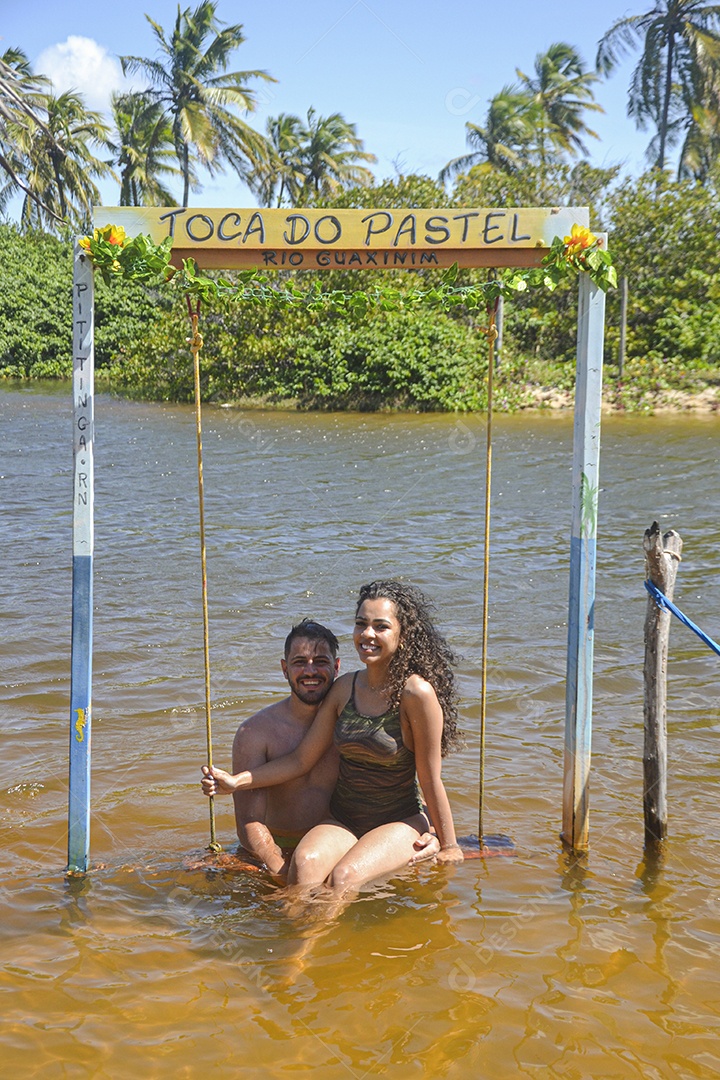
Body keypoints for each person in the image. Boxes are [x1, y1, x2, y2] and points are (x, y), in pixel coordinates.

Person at [202, 581, 464, 894]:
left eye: (380, 626)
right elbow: (301, 760)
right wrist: (236, 782)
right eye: (361, 624)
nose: (368, 634)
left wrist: (448, 843)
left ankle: (309, 944)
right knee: (304, 865)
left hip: (396, 820)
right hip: (344, 819)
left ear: (402, 635)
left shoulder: (416, 693)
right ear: (284, 669)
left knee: (343, 877)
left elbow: (430, 777)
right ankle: (299, 942)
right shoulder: (344, 689)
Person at [223, 619, 341, 880]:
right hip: (272, 850)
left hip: (336, 844)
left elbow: (390, 785)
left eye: (321, 661)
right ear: (285, 669)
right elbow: (249, 821)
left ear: (337, 666)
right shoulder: (254, 732)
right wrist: (278, 867)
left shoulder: (352, 724)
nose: (310, 671)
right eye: (300, 662)